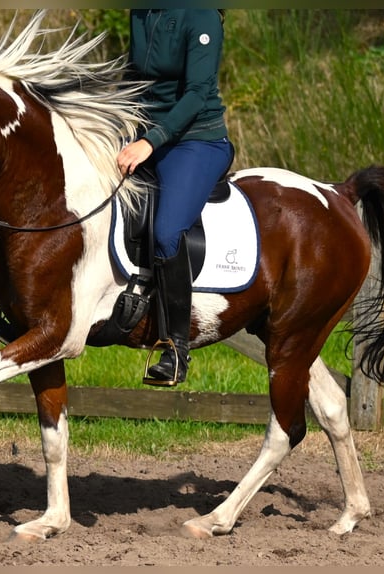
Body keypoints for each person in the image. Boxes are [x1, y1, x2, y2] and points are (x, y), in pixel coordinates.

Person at [117, 9, 234, 385]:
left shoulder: (201, 15)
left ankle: (176, 348)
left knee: (167, 232)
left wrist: (149, 143)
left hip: (195, 140)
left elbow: (197, 94)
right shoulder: (141, 11)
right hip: (144, 136)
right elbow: (133, 78)